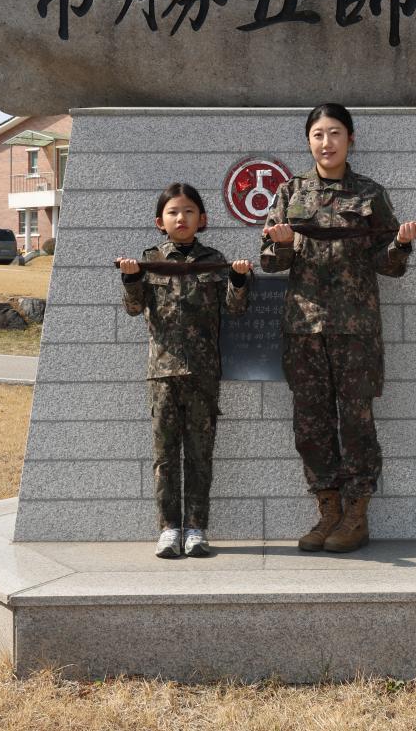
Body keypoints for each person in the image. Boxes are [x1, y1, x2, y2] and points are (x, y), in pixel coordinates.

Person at [261, 104, 416, 553]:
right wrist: (279, 245)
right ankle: (327, 511)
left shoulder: (370, 194)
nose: (326, 142)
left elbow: (385, 265)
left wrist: (401, 244)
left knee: (356, 422)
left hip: (356, 330)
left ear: (351, 139)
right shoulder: (290, 192)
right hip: (305, 329)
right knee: (310, 423)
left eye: (335, 133)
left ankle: (356, 515)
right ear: (308, 141)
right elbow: (271, 263)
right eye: (318, 134)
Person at [118, 182, 252, 559]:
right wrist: (131, 277)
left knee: (198, 454)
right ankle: (168, 529)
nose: (182, 218)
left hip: (202, 375)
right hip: (162, 374)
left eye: (189, 211)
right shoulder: (148, 259)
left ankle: (195, 528)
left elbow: (235, 308)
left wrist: (239, 279)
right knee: (164, 456)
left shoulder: (214, 258)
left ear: (202, 219)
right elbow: (133, 308)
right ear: (160, 221)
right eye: (174, 212)